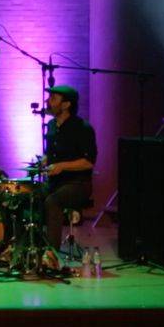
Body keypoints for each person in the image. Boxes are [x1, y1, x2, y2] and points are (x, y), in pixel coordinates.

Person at [41, 85, 97, 254]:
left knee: (53, 201)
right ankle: (32, 248)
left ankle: (52, 253)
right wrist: (43, 162)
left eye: (53, 99)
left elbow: (89, 162)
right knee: (28, 196)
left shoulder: (83, 128)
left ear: (66, 105)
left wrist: (61, 166)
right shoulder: (51, 125)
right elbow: (51, 155)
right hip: (56, 182)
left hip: (78, 183)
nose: (48, 102)